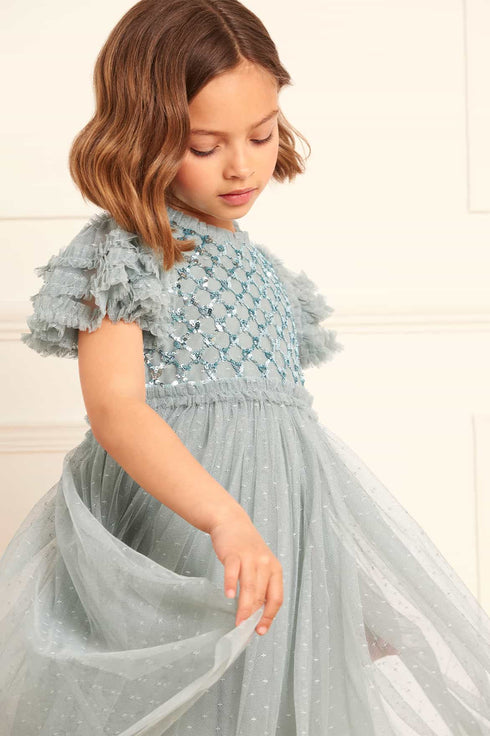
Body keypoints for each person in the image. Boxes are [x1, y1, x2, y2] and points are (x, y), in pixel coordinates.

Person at [1, 0, 490, 733]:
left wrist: (336, 589)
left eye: (261, 135)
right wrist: (223, 518)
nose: (242, 165)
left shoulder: (266, 273)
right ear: (140, 137)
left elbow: (291, 449)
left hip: (282, 533)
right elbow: (116, 409)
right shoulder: (128, 253)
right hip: (190, 527)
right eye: (204, 146)